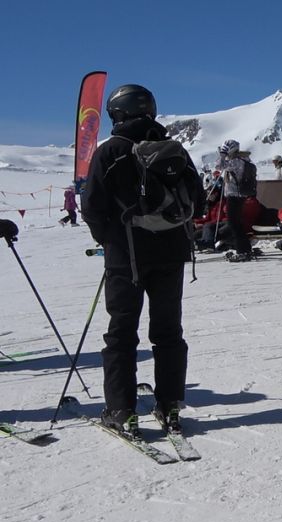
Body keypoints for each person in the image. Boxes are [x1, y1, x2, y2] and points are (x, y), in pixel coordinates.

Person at [81, 84, 205, 434]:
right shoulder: (175, 150)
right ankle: (170, 405)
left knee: (121, 333)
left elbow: (92, 206)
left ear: (117, 114)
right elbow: (197, 197)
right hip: (171, 255)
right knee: (168, 331)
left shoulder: (112, 151)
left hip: (127, 257)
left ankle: (121, 410)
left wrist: (108, 239)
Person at [215, 139, 255, 261]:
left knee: (234, 224)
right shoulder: (244, 160)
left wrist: (222, 154)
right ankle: (245, 248)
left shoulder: (235, 162)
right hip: (240, 196)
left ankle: (242, 250)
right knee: (237, 224)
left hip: (234, 196)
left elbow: (219, 166)